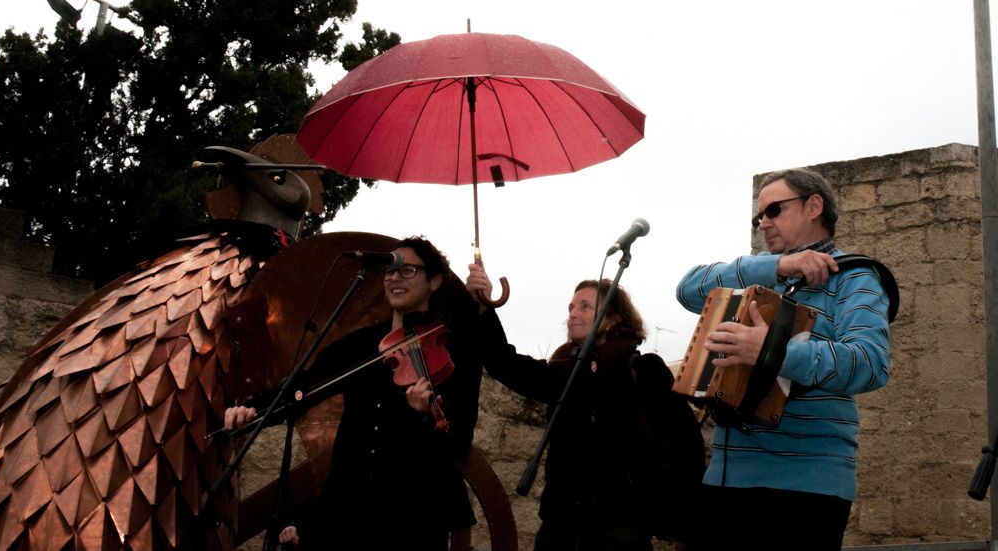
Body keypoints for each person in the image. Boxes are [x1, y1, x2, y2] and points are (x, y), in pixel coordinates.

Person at [675, 167, 896, 551]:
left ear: (814, 206)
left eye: (774, 210)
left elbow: (870, 363)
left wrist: (771, 351)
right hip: (726, 477)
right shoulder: (760, 273)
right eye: (758, 216)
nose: (763, 223)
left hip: (808, 485)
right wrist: (775, 266)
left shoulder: (856, 278)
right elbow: (688, 289)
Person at [224, 236, 480, 550]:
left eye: (407, 270)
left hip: (414, 519)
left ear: (435, 280)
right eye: (389, 270)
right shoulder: (361, 345)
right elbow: (303, 389)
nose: (394, 277)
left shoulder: (453, 349)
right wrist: (255, 411)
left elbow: (458, 439)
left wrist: (425, 417)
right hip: (347, 511)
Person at [466, 269, 705, 551]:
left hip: (621, 532)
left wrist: (685, 527)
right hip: (559, 530)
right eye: (571, 307)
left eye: (585, 306)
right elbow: (506, 364)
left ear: (613, 318)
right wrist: (483, 307)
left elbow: (685, 446)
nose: (573, 314)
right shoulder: (564, 372)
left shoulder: (642, 370)